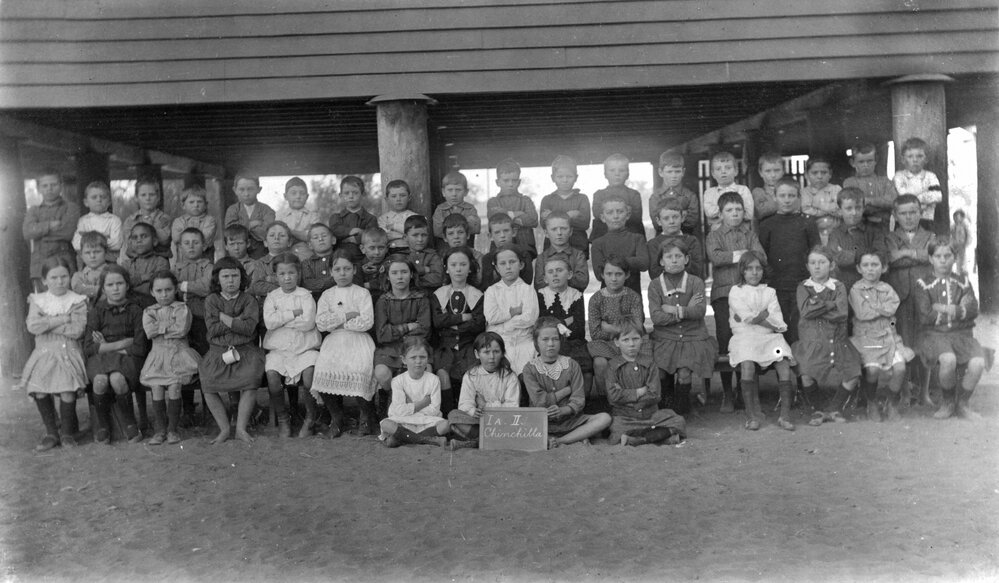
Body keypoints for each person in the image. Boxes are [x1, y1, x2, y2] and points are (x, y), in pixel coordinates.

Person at [914, 239, 989, 420]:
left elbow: (972, 309)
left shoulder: (962, 282)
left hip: (962, 335)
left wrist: (944, 308)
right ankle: (948, 402)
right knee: (948, 360)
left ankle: (962, 403)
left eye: (947, 256)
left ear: (954, 258)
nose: (943, 260)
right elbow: (925, 315)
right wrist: (957, 312)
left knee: (978, 363)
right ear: (930, 258)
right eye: (938, 256)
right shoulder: (922, 284)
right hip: (934, 336)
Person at [706, 192, 766, 412]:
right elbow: (716, 257)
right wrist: (743, 255)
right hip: (723, 294)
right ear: (720, 214)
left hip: (747, 293)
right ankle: (727, 393)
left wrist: (737, 255)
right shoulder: (714, 235)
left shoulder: (749, 233)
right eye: (729, 210)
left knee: (747, 337)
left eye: (738, 210)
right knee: (725, 339)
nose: (734, 214)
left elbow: (761, 257)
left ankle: (744, 391)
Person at [19, 257, 88, 450]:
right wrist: (61, 320)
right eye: (54, 277)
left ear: (70, 277)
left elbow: (77, 330)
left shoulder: (77, 301)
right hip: (44, 352)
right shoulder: (38, 300)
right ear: (44, 280)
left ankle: (67, 434)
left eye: (64, 277)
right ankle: (51, 432)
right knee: (40, 390)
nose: (60, 282)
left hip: (68, 351)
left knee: (67, 390)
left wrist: (48, 324)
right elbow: (33, 326)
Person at [791, 247, 864, 426]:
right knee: (806, 372)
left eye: (822, 262)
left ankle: (834, 408)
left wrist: (818, 305)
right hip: (813, 341)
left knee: (853, 373)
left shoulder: (838, 286)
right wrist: (830, 305)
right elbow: (806, 312)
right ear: (808, 266)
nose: (817, 267)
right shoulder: (803, 287)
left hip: (837, 341)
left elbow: (841, 314)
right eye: (813, 263)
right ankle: (817, 409)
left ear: (831, 265)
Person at [198, 257, 266, 444]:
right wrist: (237, 320)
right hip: (218, 352)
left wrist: (224, 318)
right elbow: (212, 330)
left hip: (246, 350)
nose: (230, 280)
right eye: (225, 276)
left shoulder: (249, 299)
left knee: (251, 379)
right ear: (217, 279)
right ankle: (225, 428)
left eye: (235, 275)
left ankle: (241, 429)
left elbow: (248, 329)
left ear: (241, 278)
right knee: (208, 383)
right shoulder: (211, 300)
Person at [842, 251, 915, 425]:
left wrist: (875, 308)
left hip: (889, 335)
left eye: (875, 265)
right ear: (859, 269)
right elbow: (862, 313)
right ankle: (871, 401)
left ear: (884, 268)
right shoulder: (856, 289)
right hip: (866, 336)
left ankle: (890, 403)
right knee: (873, 370)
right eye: (866, 265)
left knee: (900, 368)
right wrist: (881, 309)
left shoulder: (887, 289)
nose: (870, 269)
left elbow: (892, 309)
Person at [312, 250, 379, 437]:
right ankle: (337, 417)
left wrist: (337, 321)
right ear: (331, 272)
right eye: (338, 269)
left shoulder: (362, 293)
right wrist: (348, 315)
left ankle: (366, 416)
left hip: (359, 340)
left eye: (347, 269)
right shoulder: (327, 295)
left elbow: (367, 322)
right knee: (323, 370)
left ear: (354, 270)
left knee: (360, 369)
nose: (342, 273)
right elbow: (322, 323)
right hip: (334, 340)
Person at [727, 251, 795, 431]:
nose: (754, 272)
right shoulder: (736, 291)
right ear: (742, 271)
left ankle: (785, 416)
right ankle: (751, 416)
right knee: (747, 365)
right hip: (745, 339)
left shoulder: (770, 292)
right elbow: (746, 317)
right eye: (749, 269)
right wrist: (764, 316)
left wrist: (762, 318)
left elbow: (779, 322)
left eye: (758, 268)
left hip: (770, 339)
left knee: (783, 361)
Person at [648, 241, 718, 415]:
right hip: (665, 337)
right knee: (661, 372)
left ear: (686, 259)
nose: (674, 261)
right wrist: (687, 310)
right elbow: (656, 317)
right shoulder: (655, 285)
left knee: (685, 371)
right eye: (669, 257)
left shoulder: (696, 282)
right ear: (661, 262)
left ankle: (681, 411)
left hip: (692, 337)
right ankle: (666, 409)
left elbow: (700, 311)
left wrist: (672, 309)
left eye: (678, 256)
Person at [83, 264, 149, 443]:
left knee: (117, 379)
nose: (115, 288)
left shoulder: (136, 310)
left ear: (127, 285)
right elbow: (89, 347)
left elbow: (139, 346)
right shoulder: (97, 312)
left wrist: (105, 345)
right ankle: (103, 424)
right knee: (100, 380)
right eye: (110, 285)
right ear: (103, 288)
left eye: (119, 283)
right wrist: (120, 344)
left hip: (128, 358)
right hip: (101, 358)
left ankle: (129, 422)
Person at [524, 318, 611, 449]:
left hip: (571, 421)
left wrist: (563, 410)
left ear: (561, 341)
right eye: (545, 339)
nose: (551, 344)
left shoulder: (571, 365)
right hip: (542, 422)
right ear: (536, 342)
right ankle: (576, 437)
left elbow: (579, 399)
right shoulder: (530, 369)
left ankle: (560, 440)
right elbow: (540, 401)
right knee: (522, 424)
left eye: (555, 339)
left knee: (605, 418)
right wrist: (566, 390)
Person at [262, 253, 322, 438]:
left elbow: (308, 323)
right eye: (282, 274)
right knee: (272, 375)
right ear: (275, 276)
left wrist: (282, 318)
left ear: (298, 274)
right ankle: (283, 419)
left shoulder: (305, 296)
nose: (287, 278)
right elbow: (269, 323)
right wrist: (293, 313)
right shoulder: (272, 297)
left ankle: (310, 419)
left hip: (304, 346)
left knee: (309, 373)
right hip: (279, 348)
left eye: (291, 273)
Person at [139, 271, 200, 445]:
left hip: (179, 354)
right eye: (159, 291)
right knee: (156, 386)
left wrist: (160, 327)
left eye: (168, 290)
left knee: (174, 386)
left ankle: (173, 429)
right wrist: (169, 326)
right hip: (158, 356)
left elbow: (181, 330)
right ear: (152, 292)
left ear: (175, 290)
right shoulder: (149, 311)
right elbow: (149, 332)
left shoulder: (182, 308)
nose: (164, 294)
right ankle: (160, 430)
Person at [758, 177, 821, 345]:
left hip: (802, 285)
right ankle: (783, 370)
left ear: (799, 197)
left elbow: (816, 254)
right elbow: (762, 257)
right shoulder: (766, 225)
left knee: (800, 329)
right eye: (782, 195)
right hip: (776, 286)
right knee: (780, 328)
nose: (787, 200)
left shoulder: (808, 222)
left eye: (791, 196)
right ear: (775, 197)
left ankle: (801, 370)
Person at [606, 319, 686, 446]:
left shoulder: (650, 363)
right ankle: (664, 438)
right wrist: (639, 391)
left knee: (678, 421)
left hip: (651, 415)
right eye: (625, 340)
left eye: (635, 339)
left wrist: (627, 396)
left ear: (641, 339)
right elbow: (613, 396)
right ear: (616, 342)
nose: (631, 344)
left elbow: (655, 394)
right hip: (626, 416)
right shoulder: (613, 366)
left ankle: (639, 440)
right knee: (616, 427)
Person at [373, 255, 432, 415]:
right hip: (389, 349)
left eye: (404, 272)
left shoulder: (420, 298)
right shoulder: (383, 301)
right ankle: (387, 398)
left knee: (427, 371)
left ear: (411, 274)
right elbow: (382, 334)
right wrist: (408, 326)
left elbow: (424, 329)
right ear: (388, 276)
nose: (400, 277)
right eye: (395, 273)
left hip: (416, 347)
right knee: (382, 373)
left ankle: (418, 411)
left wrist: (396, 331)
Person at [431, 246, 486, 415]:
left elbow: (478, 324)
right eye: (453, 265)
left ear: (470, 268)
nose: (458, 269)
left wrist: (450, 323)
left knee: (470, 375)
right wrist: (463, 318)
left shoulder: (477, 295)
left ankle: (466, 414)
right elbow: (438, 321)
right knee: (443, 374)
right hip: (445, 347)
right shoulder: (439, 294)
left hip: (467, 346)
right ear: (446, 268)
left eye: (463, 264)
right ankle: (448, 415)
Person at [447, 331, 521, 449]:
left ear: (502, 353)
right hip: (479, 421)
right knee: (453, 416)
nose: (491, 357)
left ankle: (476, 442)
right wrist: (472, 411)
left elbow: (513, 407)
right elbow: (464, 403)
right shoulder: (471, 375)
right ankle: (489, 440)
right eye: (486, 352)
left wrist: (486, 405)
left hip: (502, 422)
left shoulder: (510, 377)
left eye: (496, 352)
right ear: (477, 354)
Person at [588, 256, 646, 399]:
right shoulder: (596, 299)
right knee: (600, 362)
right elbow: (595, 332)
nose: (614, 278)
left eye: (618, 274)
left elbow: (637, 326)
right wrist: (625, 326)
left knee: (641, 356)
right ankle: (606, 400)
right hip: (604, 344)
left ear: (627, 275)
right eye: (609, 274)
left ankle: (632, 397)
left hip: (629, 341)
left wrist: (609, 328)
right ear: (602, 275)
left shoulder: (633, 297)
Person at [537, 253, 593, 396]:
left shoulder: (576, 295)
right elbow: (542, 323)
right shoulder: (540, 295)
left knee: (585, 368)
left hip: (573, 341)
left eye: (559, 270)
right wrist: (565, 321)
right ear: (545, 278)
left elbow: (579, 328)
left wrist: (555, 323)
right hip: (548, 342)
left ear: (569, 274)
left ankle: (580, 401)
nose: (555, 275)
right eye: (550, 272)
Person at [886, 194, 935, 353]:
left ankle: (924, 377)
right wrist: (919, 255)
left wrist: (905, 253)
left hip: (924, 292)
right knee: (903, 336)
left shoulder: (930, 236)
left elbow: (932, 256)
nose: (908, 217)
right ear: (895, 215)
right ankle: (907, 376)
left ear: (921, 213)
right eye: (903, 213)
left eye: (913, 212)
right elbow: (892, 259)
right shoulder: (890, 237)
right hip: (900, 293)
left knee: (925, 336)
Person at [379, 338, 450, 448]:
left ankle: (402, 439)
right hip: (403, 421)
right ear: (404, 359)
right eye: (413, 357)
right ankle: (427, 440)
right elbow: (399, 410)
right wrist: (422, 403)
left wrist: (410, 407)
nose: (418, 361)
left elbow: (434, 409)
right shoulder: (398, 381)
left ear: (428, 359)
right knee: (386, 424)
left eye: (422, 357)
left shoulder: (433, 380)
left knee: (445, 425)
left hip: (425, 421)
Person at [484, 245, 540, 377]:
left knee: (527, 370)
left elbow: (530, 318)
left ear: (521, 265)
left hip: (524, 339)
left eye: (512, 262)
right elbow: (491, 317)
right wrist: (512, 313)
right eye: (502, 264)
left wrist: (504, 324)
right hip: (500, 340)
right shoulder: (492, 291)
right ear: (497, 268)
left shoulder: (527, 290)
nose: (508, 267)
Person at [23, 169, 80, 291]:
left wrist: (39, 233)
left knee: (67, 303)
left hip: (65, 264)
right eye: (45, 185)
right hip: (40, 266)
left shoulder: (71, 207)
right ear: (39, 188)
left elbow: (68, 233)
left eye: (53, 185)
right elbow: (27, 232)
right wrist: (49, 225)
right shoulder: (33, 211)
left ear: (61, 186)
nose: (49, 188)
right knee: (45, 305)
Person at [827, 187, 888, 293]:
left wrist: (848, 255)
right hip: (845, 287)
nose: (854, 212)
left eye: (858, 208)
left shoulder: (875, 231)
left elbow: (880, 255)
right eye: (849, 208)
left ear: (864, 208)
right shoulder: (835, 234)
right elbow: (835, 258)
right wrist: (866, 253)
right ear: (840, 210)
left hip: (872, 289)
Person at [591, 195, 650, 294]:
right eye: (610, 212)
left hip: (633, 293)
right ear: (603, 217)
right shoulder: (598, 243)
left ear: (627, 215)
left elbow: (644, 263)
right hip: (608, 297)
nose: (615, 216)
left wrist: (616, 261)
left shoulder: (637, 239)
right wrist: (630, 261)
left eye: (620, 211)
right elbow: (598, 274)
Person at [487, 158, 539, 259]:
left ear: (519, 182)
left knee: (525, 270)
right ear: (498, 182)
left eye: (514, 180)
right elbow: (494, 216)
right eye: (506, 180)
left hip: (525, 246)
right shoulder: (493, 202)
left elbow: (533, 220)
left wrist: (506, 214)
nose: (510, 184)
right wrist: (518, 214)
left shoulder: (525, 200)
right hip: (500, 247)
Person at [539, 155, 591, 256]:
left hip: (578, 246)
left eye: (569, 176)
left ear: (576, 177)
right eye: (560, 176)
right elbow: (544, 224)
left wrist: (553, 215)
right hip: (553, 248)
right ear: (553, 178)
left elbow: (585, 223)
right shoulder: (547, 200)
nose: (565, 180)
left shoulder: (582, 198)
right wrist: (569, 215)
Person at [842, 141, 896, 232]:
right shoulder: (849, 182)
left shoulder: (885, 181)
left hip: (883, 228)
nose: (866, 165)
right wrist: (881, 205)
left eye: (869, 161)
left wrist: (868, 200)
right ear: (852, 163)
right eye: (861, 162)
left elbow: (893, 201)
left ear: (876, 161)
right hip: (860, 228)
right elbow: (854, 205)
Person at [590, 153, 644, 240]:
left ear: (627, 174)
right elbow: (598, 215)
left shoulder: (634, 194)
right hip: (604, 236)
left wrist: (609, 211)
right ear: (605, 174)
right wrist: (624, 210)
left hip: (629, 236)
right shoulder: (599, 195)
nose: (617, 174)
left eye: (621, 170)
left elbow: (636, 218)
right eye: (612, 170)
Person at [893, 137, 942, 232]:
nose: (915, 160)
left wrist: (916, 199)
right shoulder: (899, 177)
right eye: (910, 156)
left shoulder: (930, 176)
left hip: (926, 219)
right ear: (903, 160)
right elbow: (904, 197)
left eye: (919, 156)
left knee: (925, 243)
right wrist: (923, 201)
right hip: (903, 220)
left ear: (926, 159)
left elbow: (937, 196)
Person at [648, 198, 704, 279]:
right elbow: (654, 272)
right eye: (666, 218)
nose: (671, 221)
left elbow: (696, 269)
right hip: (663, 288)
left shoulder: (692, 241)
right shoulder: (653, 244)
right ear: (659, 221)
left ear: (682, 218)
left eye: (675, 217)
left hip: (689, 286)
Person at [223, 172, 276, 259]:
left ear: (259, 189)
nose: (246, 194)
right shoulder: (232, 210)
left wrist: (241, 226)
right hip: (237, 254)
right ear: (235, 190)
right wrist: (252, 224)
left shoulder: (267, 210)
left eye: (250, 189)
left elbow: (265, 233)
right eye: (241, 189)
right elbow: (231, 232)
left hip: (261, 253)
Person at [533, 211, 589, 291]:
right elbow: (539, 284)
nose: (559, 233)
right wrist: (565, 277)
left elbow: (582, 282)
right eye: (554, 229)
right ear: (546, 233)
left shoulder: (578, 255)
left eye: (563, 228)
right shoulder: (542, 258)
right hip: (548, 302)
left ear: (570, 231)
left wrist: (553, 279)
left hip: (574, 301)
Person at [246, 221, 294, 313]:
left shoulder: (294, 261)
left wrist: (269, 279)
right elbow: (257, 286)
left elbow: (295, 284)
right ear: (265, 242)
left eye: (282, 235)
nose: (276, 238)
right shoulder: (260, 263)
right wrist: (283, 285)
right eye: (272, 235)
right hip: (266, 308)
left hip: (291, 307)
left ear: (289, 242)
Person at [649, 151, 700, 236]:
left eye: (677, 171)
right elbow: (656, 224)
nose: (674, 176)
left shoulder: (690, 196)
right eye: (669, 172)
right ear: (661, 172)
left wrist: (665, 218)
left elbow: (692, 222)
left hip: (685, 239)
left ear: (683, 172)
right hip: (662, 241)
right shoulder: (655, 196)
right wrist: (682, 214)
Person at [329, 175, 378, 263]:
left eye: (355, 193)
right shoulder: (335, 217)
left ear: (362, 194)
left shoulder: (370, 219)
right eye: (346, 193)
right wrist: (352, 231)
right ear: (340, 195)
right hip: (339, 260)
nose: (351, 196)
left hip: (362, 260)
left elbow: (372, 238)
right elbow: (334, 231)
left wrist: (354, 239)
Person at [702, 151, 754, 232]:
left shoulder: (743, 190)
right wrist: (737, 213)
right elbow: (709, 213)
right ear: (713, 174)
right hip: (718, 236)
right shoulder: (709, 193)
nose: (723, 171)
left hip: (740, 234)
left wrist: (719, 217)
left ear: (736, 171)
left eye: (728, 168)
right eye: (718, 169)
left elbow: (749, 214)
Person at [121, 177, 172, 259]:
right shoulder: (130, 220)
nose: (147, 198)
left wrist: (139, 236)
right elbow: (130, 244)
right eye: (143, 195)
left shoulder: (164, 219)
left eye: (151, 194)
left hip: (159, 261)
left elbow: (164, 240)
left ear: (158, 197)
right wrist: (154, 231)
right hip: (136, 261)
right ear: (136, 198)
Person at [119, 222, 170, 304]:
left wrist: (132, 286)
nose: (139, 240)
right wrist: (143, 278)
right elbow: (121, 284)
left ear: (154, 241)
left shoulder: (161, 261)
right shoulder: (127, 264)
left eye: (144, 236)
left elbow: (156, 287)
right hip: (129, 305)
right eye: (135, 237)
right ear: (131, 243)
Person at [73, 181, 123, 263]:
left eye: (103, 197)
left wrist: (88, 239)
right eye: (94, 197)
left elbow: (117, 244)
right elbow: (76, 244)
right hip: (88, 261)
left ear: (109, 202)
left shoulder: (114, 220)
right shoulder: (83, 221)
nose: (99, 200)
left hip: (109, 260)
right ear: (86, 202)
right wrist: (104, 238)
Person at [480, 213, 533, 290]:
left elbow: (527, 281)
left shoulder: (524, 254)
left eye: (506, 231)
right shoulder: (487, 259)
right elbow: (487, 285)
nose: (502, 235)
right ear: (490, 236)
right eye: (497, 232)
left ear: (514, 232)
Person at [432, 170, 480, 251]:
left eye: (458, 190)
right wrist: (463, 225)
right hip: (445, 249)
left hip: (467, 248)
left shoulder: (470, 208)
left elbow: (475, 229)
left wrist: (448, 226)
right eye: (450, 190)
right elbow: (437, 231)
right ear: (443, 192)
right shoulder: (440, 209)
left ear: (466, 192)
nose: (454, 194)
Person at [276, 177, 320, 261]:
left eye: (302, 193)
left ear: (307, 196)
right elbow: (279, 236)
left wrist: (290, 232)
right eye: (293, 193)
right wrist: (302, 234)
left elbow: (312, 236)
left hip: (307, 255)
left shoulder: (313, 216)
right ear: (285, 196)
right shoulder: (279, 216)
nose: (298, 196)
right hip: (285, 256)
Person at [800, 156, 842, 241]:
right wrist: (826, 210)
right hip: (815, 233)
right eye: (814, 173)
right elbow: (805, 209)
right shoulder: (804, 192)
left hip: (836, 231)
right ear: (806, 175)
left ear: (830, 174)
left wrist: (817, 207)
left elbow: (841, 207)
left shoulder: (836, 189)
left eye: (824, 172)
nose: (819, 176)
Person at [171, 184, 217, 262]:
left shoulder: (210, 220)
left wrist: (185, 239)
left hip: (204, 259)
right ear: (183, 205)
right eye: (191, 202)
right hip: (183, 261)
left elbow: (205, 238)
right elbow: (176, 238)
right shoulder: (178, 221)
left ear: (206, 205)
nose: (196, 205)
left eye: (199, 202)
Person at [440, 214, 485, 288]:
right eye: (451, 233)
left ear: (467, 235)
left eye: (460, 232)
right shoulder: (443, 258)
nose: (456, 237)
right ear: (445, 238)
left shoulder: (478, 257)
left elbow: (479, 280)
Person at [403, 215, 444, 290]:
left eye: (424, 235)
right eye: (415, 235)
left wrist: (411, 278)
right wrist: (423, 270)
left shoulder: (433, 256)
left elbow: (437, 279)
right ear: (405, 237)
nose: (420, 239)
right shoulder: (401, 256)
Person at [378, 179, 418, 252]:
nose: (398, 199)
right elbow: (384, 236)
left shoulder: (414, 217)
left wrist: (394, 227)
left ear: (409, 198)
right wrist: (404, 235)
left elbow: (415, 233)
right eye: (393, 196)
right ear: (386, 199)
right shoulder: (383, 219)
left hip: (410, 250)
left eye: (402, 195)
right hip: (389, 251)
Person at [301, 222, 337, 300]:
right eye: (315, 237)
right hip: (316, 302)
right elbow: (309, 285)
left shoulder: (340, 259)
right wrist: (334, 279)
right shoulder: (306, 263)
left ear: (333, 240)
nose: (320, 239)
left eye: (324, 236)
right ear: (310, 245)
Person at [71, 231, 109, 301]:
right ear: (81, 255)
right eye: (87, 252)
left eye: (97, 252)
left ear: (106, 253)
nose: (92, 256)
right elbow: (78, 288)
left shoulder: (112, 273)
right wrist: (101, 290)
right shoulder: (78, 276)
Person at [355, 227, 390, 304]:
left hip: (387, 303)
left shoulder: (390, 265)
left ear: (387, 248)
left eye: (381, 248)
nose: (377, 252)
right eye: (372, 248)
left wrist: (369, 285)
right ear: (362, 249)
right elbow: (356, 287)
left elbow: (389, 283)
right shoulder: (357, 267)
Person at [751, 152, 783, 225]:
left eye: (777, 170)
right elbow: (762, 211)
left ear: (783, 171)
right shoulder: (758, 192)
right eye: (768, 171)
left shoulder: (790, 190)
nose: (773, 175)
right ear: (761, 173)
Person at [950, 209, 970, 275]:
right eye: (955, 217)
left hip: (962, 245)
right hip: (955, 245)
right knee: (957, 261)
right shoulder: (953, 226)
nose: (957, 218)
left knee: (963, 261)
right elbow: (952, 236)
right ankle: (957, 274)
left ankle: (963, 274)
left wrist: (966, 244)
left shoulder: (965, 225)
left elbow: (969, 235)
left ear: (961, 217)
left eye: (958, 216)